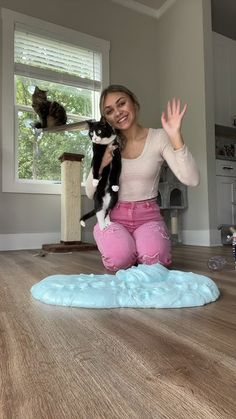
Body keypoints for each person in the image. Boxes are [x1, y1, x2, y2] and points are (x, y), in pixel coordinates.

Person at [85, 85, 200, 272]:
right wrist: (100, 164)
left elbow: (192, 179)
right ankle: (114, 240)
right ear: (106, 119)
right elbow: (90, 192)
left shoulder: (159, 138)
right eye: (109, 111)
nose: (118, 113)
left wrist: (175, 136)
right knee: (120, 261)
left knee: (155, 261)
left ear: (134, 104)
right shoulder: (106, 145)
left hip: (148, 217)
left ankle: (139, 247)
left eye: (121, 104)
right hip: (114, 217)